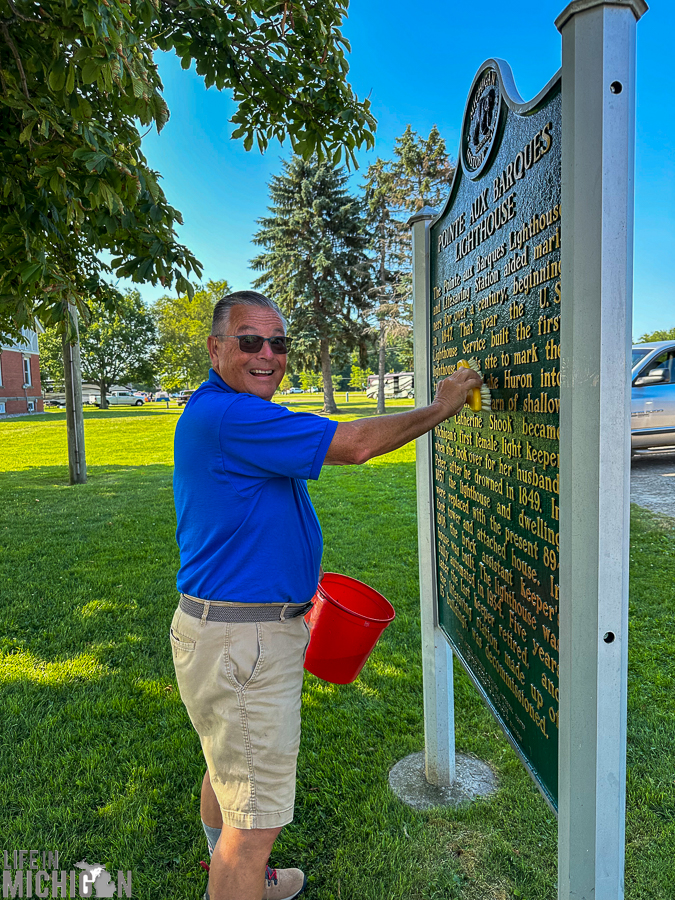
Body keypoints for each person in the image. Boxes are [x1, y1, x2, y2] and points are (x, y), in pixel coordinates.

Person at [170, 291, 482, 900]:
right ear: (215, 348)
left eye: (279, 343)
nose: (268, 355)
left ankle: (240, 873)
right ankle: (237, 874)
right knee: (255, 822)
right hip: (244, 644)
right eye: (250, 340)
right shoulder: (232, 416)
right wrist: (441, 406)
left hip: (226, 631)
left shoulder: (225, 411)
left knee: (229, 772)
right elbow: (356, 443)